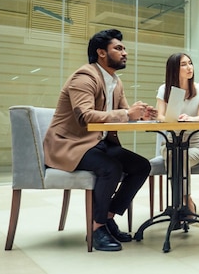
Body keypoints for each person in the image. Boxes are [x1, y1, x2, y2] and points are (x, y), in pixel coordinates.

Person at [43, 29, 156, 252]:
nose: (125, 53)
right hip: (70, 144)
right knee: (110, 167)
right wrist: (127, 114)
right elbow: (85, 116)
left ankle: (107, 215)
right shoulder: (84, 77)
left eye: (124, 48)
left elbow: (124, 113)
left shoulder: (115, 81)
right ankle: (96, 228)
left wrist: (139, 114)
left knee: (141, 166)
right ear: (101, 53)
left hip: (96, 143)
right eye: (119, 48)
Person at [155, 52, 199, 214]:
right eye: (184, 64)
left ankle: (180, 202)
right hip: (170, 144)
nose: (189, 67)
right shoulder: (164, 89)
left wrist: (190, 119)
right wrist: (171, 119)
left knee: (180, 158)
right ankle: (186, 201)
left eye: (190, 63)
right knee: (175, 155)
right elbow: (160, 115)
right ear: (173, 69)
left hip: (195, 144)